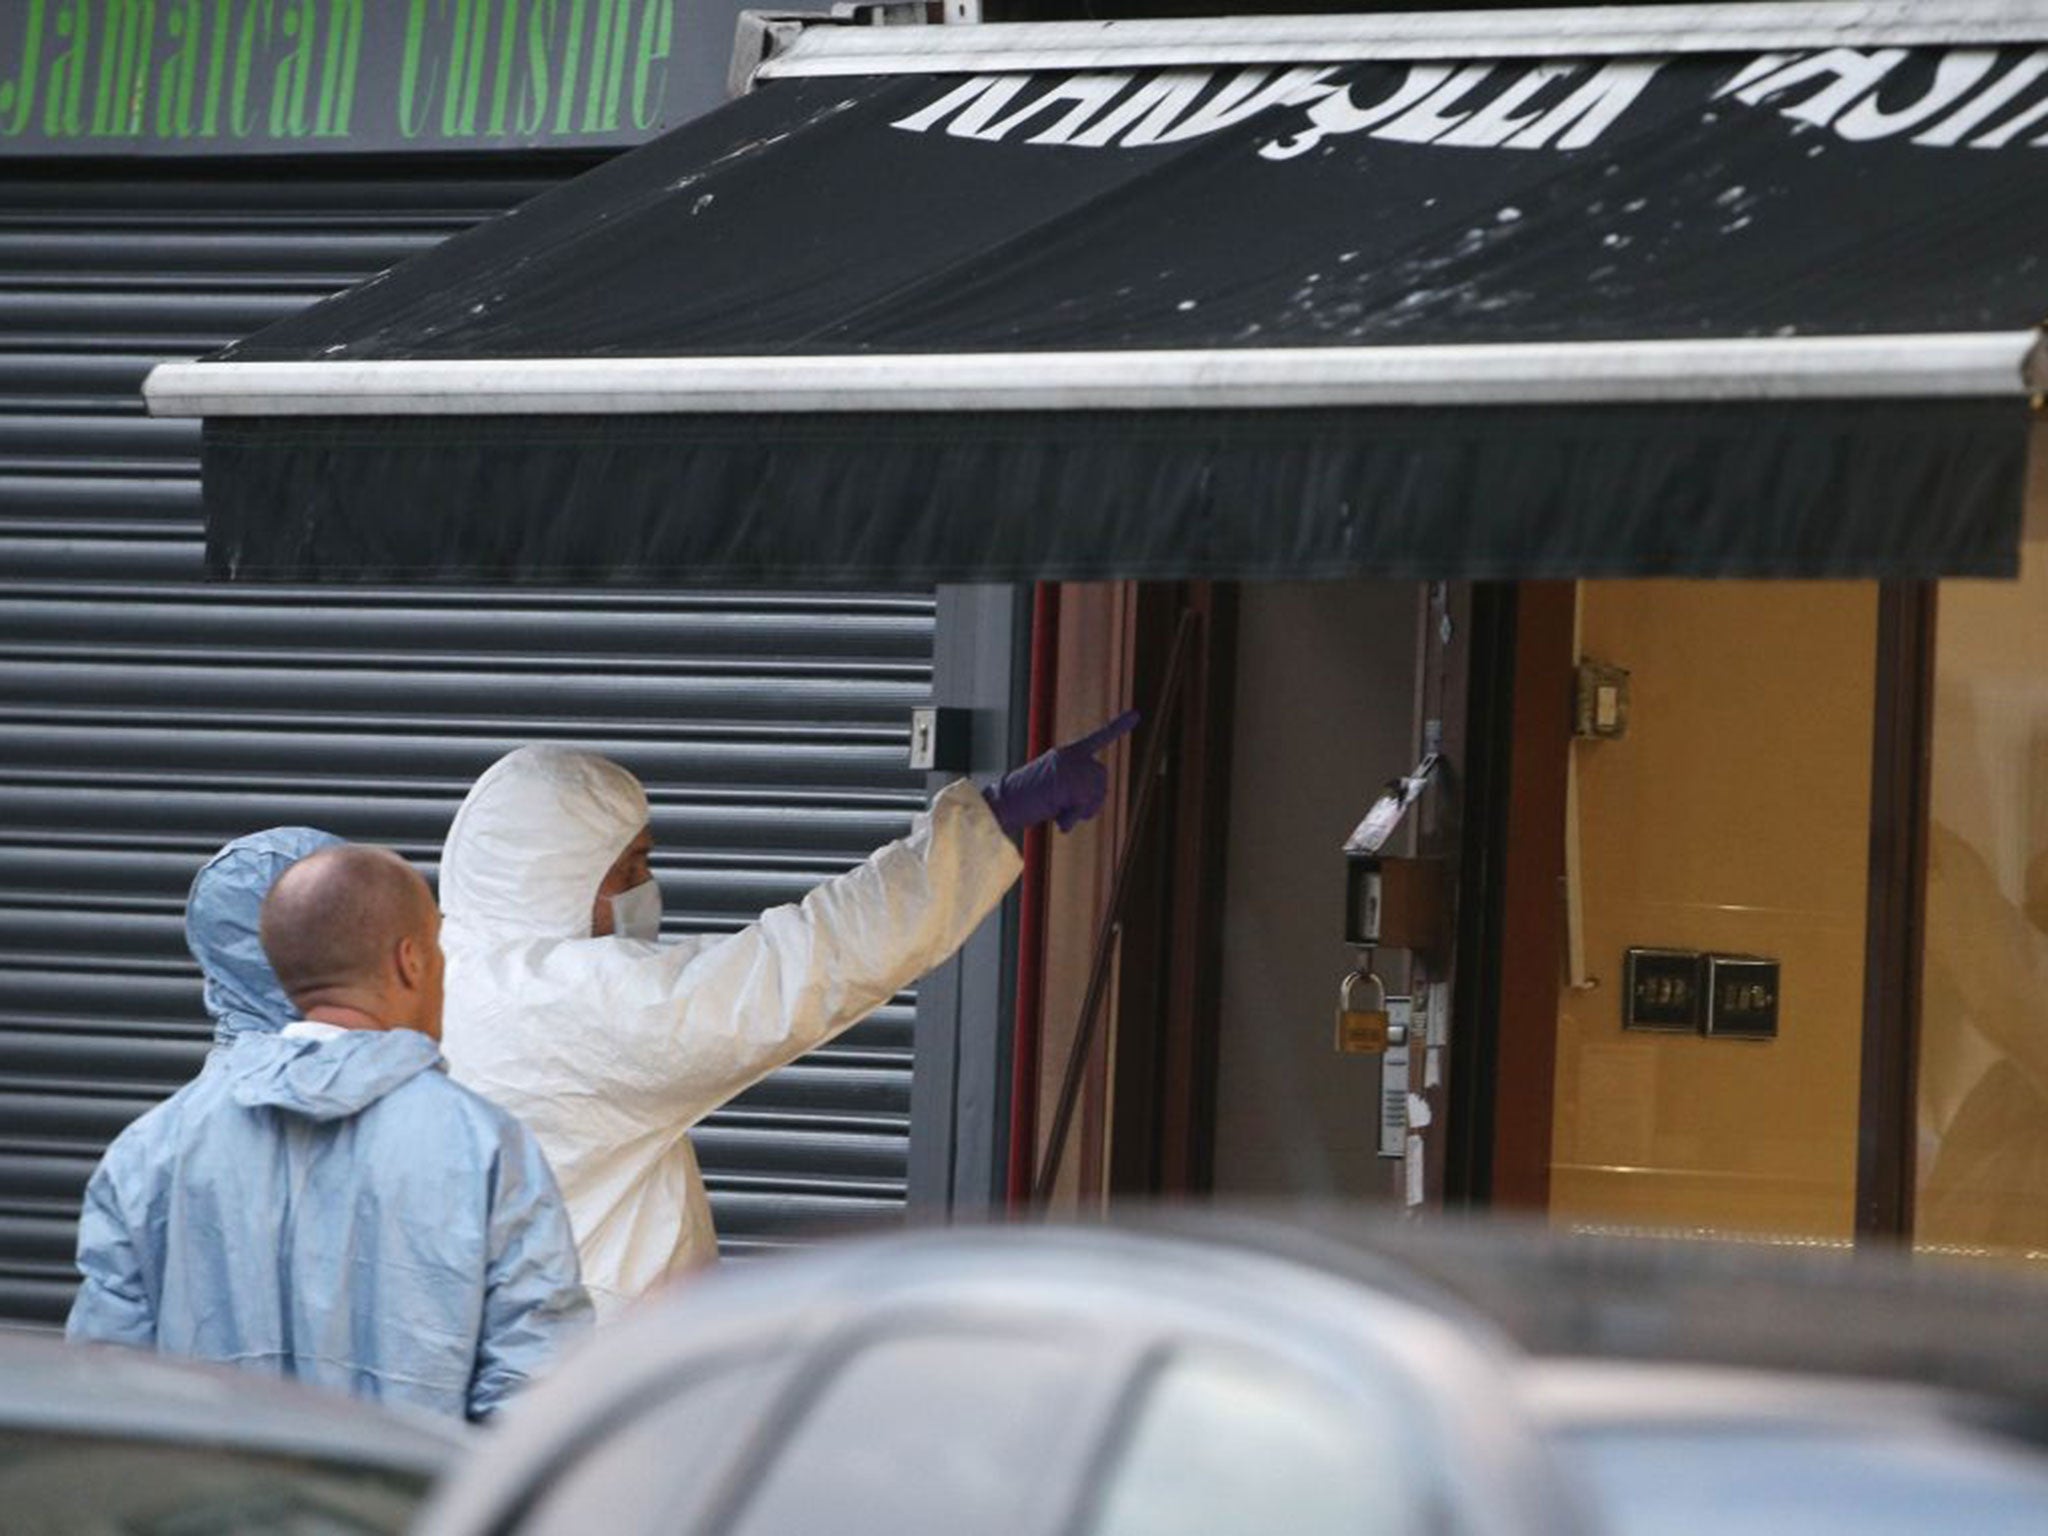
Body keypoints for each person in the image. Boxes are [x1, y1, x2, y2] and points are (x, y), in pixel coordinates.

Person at [438, 714, 1139, 1319]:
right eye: (632, 868)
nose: (649, 891)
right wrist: (988, 820)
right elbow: (808, 964)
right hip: (577, 1380)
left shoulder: (443, 970)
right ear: (560, 872)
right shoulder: (570, 1004)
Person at [67, 843, 592, 1421]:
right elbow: (539, 1395)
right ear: (411, 960)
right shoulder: (486, 1147)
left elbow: (107, 1391)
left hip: (208, 1510)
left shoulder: (152, 1149)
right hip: (417, 1508)